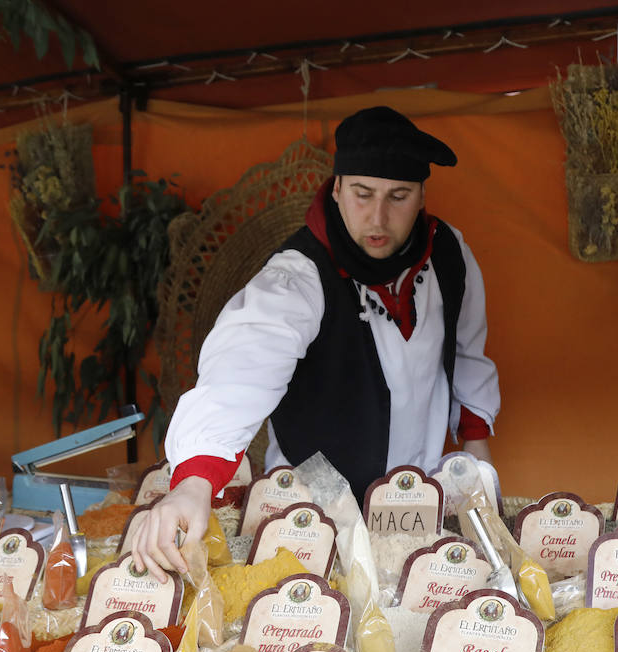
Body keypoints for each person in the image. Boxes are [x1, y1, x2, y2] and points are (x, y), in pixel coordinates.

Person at [132, 106, 500, 582]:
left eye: (399, 196)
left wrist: (478, 458)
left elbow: (468, 353)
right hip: (310, 522)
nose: (379, 216)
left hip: (418, 511)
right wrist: (194, 483)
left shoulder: (451, 256)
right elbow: (240, 371)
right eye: (363, 194)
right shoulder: (298, 276)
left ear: (422, 195)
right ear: (338, 187)